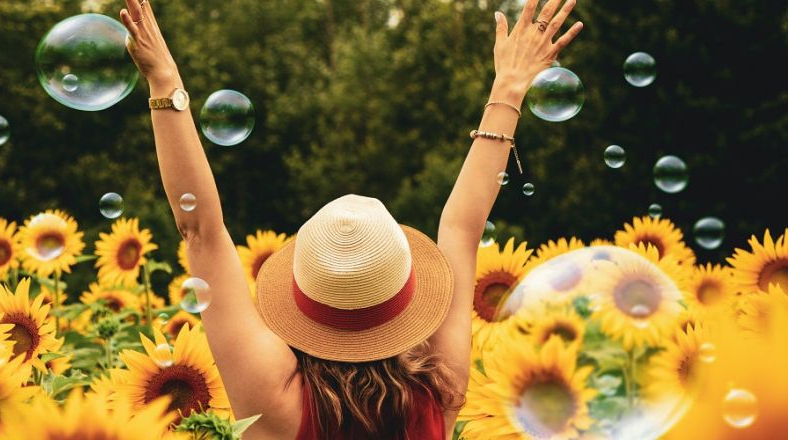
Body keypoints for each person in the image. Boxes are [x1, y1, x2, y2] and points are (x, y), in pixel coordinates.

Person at [118, 0, 582, 438]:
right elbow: (462, 227)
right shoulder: (439, 390)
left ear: (305, 297)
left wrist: (165, 83)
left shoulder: (275, 401)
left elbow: (201, 230)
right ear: (405, 295)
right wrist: (509, 88)